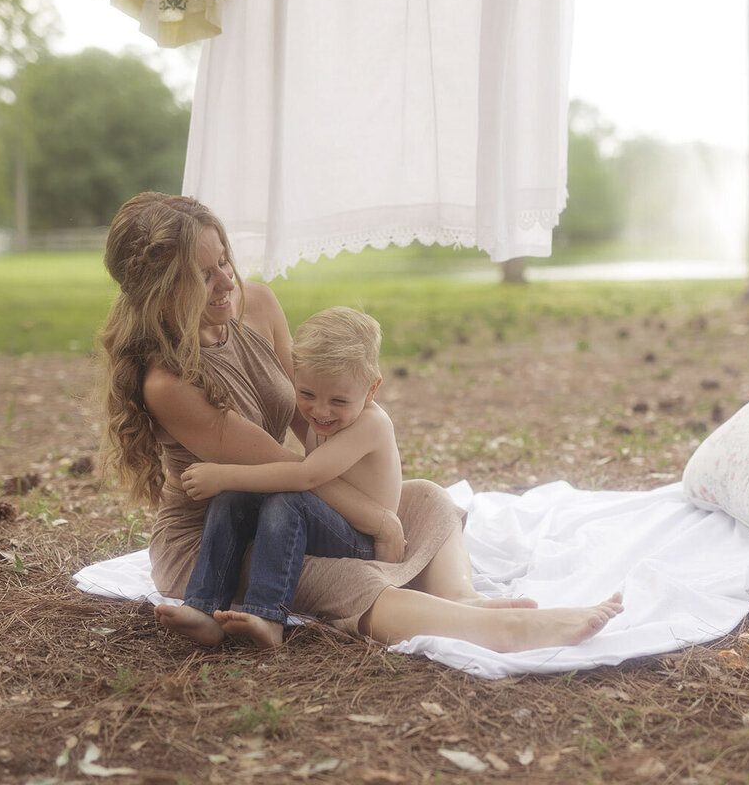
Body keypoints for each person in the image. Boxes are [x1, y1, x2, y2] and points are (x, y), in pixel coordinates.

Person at [98, 192, 623, 655]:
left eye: (224, 261)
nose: (225, 282)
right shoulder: (169, 383)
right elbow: (283, 464)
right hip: (219, 536)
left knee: (426, 497)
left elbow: (311, 425)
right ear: (161, 291)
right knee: (343, 575)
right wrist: (377, 521)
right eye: (203, 274)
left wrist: (373, 500)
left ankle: (461, 595)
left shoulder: (254, 304)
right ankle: (499, 632)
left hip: (288, 505)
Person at [174, 307, 401, 647]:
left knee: (287, 501)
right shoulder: (329, 417)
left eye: (338, 400)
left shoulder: (371, 423)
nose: (320, 412)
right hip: (325, 520)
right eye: (307, 394)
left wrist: (224, 474)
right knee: (232, 499)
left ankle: (268, 615)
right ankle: (203, 607)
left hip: (360, 540)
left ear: (371, 390)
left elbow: (306, 477)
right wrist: (229, 486)